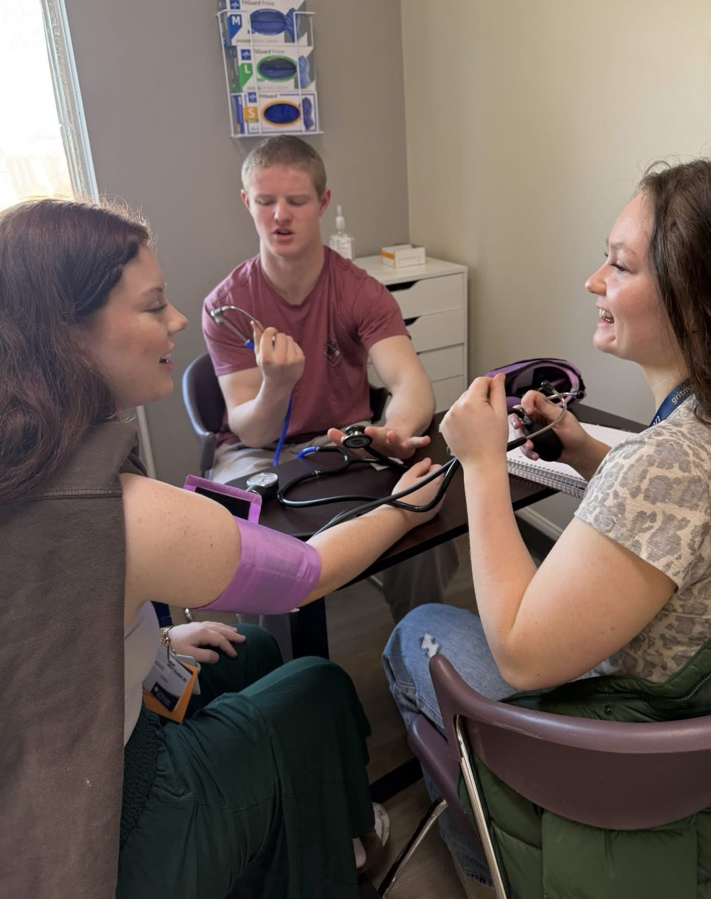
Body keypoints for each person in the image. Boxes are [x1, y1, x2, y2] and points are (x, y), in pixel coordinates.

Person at [0, 198, 444, 899]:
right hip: (107, 824)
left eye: (297, 198)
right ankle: (343, 841)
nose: (175, 320)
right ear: (67, 335)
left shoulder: (25, 457)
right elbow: (305, 572)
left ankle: (311, 829)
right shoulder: (119, 509)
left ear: (325, 205)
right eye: (152, 307)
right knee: (318, 683)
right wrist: (403, 507)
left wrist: (153, 639)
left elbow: (44, 628)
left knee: (256, 650)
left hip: (52, 756)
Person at [383, 158, 711, 893]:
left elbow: (519, 653)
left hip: (624, 744)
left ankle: (488, 859)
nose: (592, 281)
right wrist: (586, 453)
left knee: (415, 629)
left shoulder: (666, 464)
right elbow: (677, 531)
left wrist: (484, 465)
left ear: (698, 300)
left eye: (617, 265)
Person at [202, 135, 457, 621]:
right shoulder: (224, 305)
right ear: (245, 202)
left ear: (322, 202)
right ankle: (279, 673)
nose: (280, 215)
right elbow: (250, 430)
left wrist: (395, 432)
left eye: (296, 201)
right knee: (252, 549)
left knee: (422, 515)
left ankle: (422, 644)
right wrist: (276, 384)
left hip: (345, 442)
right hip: (255, 451)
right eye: (265, 201)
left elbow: (410, 384)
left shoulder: (361, 293)